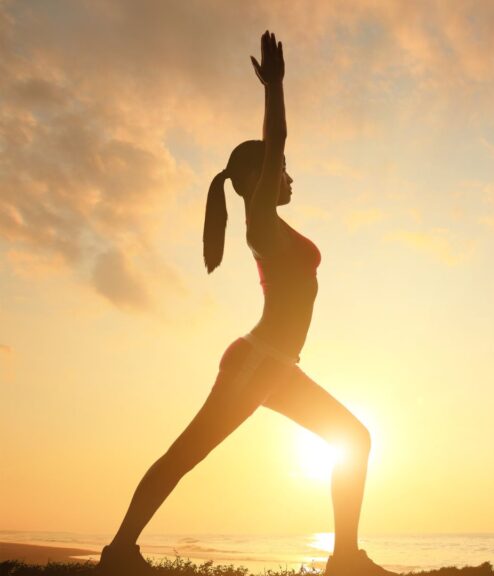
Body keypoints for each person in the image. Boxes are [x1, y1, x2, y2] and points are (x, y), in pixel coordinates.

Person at [97, 31, 394, 576]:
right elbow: (276, 139)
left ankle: (345, 558)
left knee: (352, 437)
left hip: (274, 367)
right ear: (260, 179)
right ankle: (118, 554)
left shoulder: (272, 227)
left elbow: (277, 152)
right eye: (282, 168)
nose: (290, 175)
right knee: (188, 453)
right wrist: (276, 87)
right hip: (257, 363)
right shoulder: (260, 220)